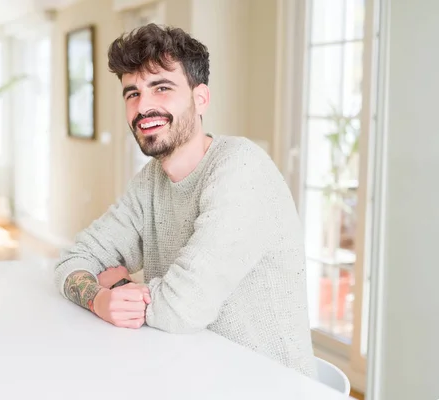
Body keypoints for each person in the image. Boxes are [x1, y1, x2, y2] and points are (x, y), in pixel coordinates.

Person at [53, 23, 316, 378]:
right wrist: (99, 299)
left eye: (161, 88)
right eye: (132, 93)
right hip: (191, 371)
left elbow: (182, 307)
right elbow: (74, 259)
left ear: (200, 97)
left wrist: (118, 287)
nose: (143, 106)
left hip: (268, 385)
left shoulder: (241, 168)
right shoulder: (150, 182)